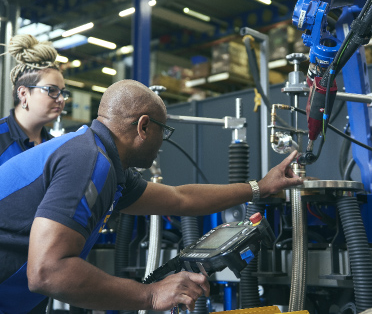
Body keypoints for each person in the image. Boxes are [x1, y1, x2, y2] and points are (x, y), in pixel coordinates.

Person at [0, 79, 303, 314]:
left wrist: (259, 187)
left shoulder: (101, 160)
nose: (162, 142)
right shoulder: (89, 160)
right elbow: (47, 272)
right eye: (163, 131)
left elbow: (180, 199)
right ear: (144, 126)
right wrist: (151, 294)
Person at [0, 34, 70, 166]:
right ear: (23, 93)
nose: (60, 99)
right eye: (51, 90)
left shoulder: (55, 147)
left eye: (62, 92)